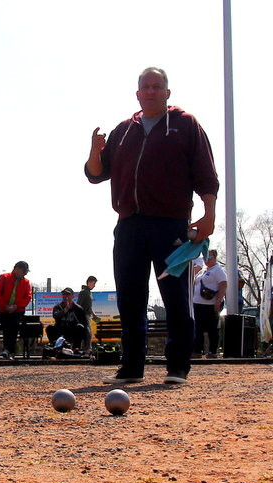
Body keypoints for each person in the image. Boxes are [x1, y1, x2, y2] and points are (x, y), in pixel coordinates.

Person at [86, 66, 219, 385]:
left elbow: (205, 174)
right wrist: (95, 148)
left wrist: (208, 215)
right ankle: (131, 367)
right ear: (137, 93)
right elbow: (95, 174)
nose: (150, 91)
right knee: (129, 298)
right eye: (145, 87)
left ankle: (177, 367)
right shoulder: (123, 130)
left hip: (172, 226)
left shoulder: (185, 125)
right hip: (129, 224)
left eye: (156, 86)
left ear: (167, 92)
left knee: (175, 297)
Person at [0, 261, 32, 360]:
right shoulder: (4, 277)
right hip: (2, 309)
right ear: (16, 269)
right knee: (7, 325)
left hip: (17, 310)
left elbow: (28, 297)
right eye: (24, 271)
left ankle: (7, 350)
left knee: (14, 325)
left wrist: (16, 306)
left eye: (26, 272)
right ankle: (9, 350)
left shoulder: (26, 282)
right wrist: (5, 306)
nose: (25, 273)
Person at [193, 250, 227, 358]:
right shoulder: (203, 270)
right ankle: (198, 350)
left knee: (212, 328)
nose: (207, 260)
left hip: (210, 304)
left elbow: (223, 285)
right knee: (198, 328)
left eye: (209, 258)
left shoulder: (218, 270)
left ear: (215, 258)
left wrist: (218, 301)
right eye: (205, 258)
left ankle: (213, 351)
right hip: (198, 304)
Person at [78, 276, 100, 354]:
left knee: (87, 333)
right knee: (87, 333)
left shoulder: (89, 293)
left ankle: (86, 349)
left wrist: (93, 314)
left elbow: (88, 306)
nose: (94, 285)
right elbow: (79, 305)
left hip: (88, 315)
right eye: (94, 283)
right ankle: (87, 350)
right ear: (89, 282)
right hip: (83, 316)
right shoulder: (83, 292)